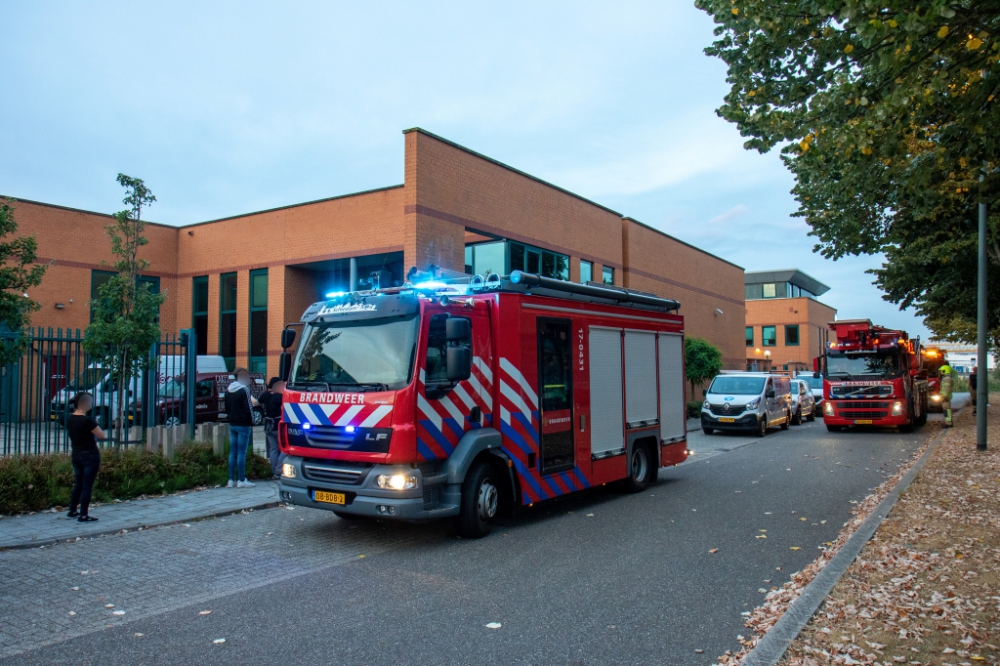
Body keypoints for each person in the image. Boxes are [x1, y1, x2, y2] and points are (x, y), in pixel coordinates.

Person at [67, 392, 107, 522]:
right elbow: (101, 435)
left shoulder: (70, 419)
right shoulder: (88, 421)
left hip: (76, 454)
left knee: (78, 483)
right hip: (90, 454)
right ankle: (83, 515)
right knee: (87, 485)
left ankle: (72, 510)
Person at [225, 368, 259, 488]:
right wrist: (251, 422)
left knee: (232, 453)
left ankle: (230, 480)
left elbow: (226, 408)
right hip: (243, 425)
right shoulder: (244, 390)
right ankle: (241, 479)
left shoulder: (228, 390)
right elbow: (249, 408)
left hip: (232, 424)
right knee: (241, 453)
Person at [258, 377, 285, 476]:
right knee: (284, 449)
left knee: (273, 449)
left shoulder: (265, 395)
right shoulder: (279, 396)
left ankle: (273, 471)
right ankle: (278, 469)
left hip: (268, 426)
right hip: (278, 426)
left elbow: (258, 402)